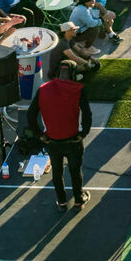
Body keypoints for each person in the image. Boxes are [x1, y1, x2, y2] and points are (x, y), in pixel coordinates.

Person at [26, 60, 93, 211]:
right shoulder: (78, 89)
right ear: (73, 74)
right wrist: (84, 133)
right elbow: (87, 114)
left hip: (52, 141)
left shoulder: (43, 89)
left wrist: (40, 136)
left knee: (57, 172)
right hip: (73, 141)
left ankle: (62, 202)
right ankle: (78, 200)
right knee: (75, 172)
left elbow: (30, 115)